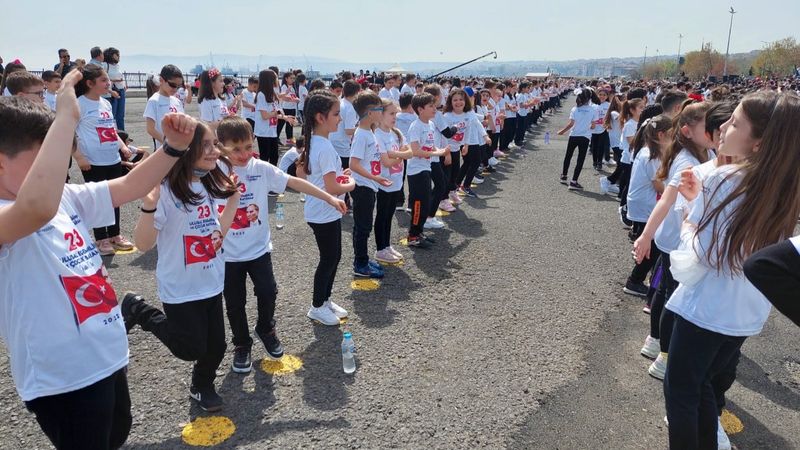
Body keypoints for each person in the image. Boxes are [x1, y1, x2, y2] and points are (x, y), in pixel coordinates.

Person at [0, 69, 197, 450]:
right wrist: (66, 118)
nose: (57, 166)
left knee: (116, 434)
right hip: (62, 377)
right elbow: (35, 208)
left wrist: (173, 148)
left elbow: (130, 186)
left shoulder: (65, 197)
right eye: (45, 156)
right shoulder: (13, 210)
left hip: (104, 356)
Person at [664, 91, 800, 450]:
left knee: (680, 390)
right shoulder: (784, 187)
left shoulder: (724, 179)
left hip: (707, 309)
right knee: (705, 385)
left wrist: (691, 214)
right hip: (745, 313)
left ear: (759, 143)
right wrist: (701, 202)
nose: (723, 126)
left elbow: (704, 254)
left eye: (736, 122)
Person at [124, 121, 240, 413]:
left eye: (215, 144)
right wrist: (148, 207)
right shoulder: (165, 191)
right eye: (208, 146)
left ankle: (201, 386)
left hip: (211, 281)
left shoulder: (209, 183)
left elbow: (216, 236)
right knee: (189, 347)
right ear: (186, 151)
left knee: (216, 347)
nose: (216, 151)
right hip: (180, 286)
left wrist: (234, 201)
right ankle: (140, 310)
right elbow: (143, 243)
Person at [215, 116, 345, 373]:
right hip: (227, 255)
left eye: (247, 146)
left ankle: (266, 327)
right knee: (234, 302)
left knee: (268, 291)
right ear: (220, 146)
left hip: (258, 249)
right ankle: (241, 344)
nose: (243, 154)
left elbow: (294, 182)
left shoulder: (261, 168)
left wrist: (328, 196)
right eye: (235, 149)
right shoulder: (212, 171)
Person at [632, 101, 714, 380]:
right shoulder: (689, 162)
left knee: (665, 289)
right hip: (676, 238)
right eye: (709, 125)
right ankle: (664, 353)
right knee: (671, 295)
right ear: (689, 131)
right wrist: (645, 236)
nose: (716, 129)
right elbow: (666, 200)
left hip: (674, 237)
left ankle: (655, 341)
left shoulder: (695, 153)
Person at [296, 90, 355, 326]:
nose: (339, 119)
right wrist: (351, 183)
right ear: (321, 118)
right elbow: (332, 187)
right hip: (323, 212)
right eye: (336, 114)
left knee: (333, 257)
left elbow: (319, 177)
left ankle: (325, 300)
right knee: (329, 259)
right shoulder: (325, 147)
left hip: (321, 210)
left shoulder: (317, 143)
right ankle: (317, 305)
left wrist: (342, 176)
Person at [73, 64, 135, 256]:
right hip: (93, 162)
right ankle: (101, 238)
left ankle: (115, 234)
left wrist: (122, 147)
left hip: (112, 159)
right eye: (104, 80)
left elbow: (111, 130)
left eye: (108, 80)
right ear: (90, 83)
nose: (108, 83)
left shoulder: (105, 103)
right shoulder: (79, 104)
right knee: (97, 200)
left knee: (114, 198)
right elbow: (69, 133)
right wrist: (79, 157)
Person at [349, 90, 392, 278]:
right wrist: (375, 178)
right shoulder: (362, 134)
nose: (382, 112)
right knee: (363, 226)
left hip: (369, 185)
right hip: (363, 187)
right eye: (379, 109)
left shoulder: (368, 132)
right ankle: (360, 263)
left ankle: (363, 259)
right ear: (369, 112)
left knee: (362, 225)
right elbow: (354, 163)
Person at [405, 93, 448, 248]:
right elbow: (415, 151)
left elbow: (431, 146)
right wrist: (438, 153)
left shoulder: (429, 124)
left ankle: (419, 232)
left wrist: (441, 150)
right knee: (419, 204)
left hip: (426, 167)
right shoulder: (415, 126)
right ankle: (413, 236)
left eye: (434, 105)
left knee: (425, 203)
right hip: (416, 171)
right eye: (430, 106)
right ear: (420, 109)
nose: (434, 109)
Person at [373, 98, 412, 264]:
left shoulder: (396, 133)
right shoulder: (377, 135)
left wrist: (394, 154)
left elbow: (409, 152)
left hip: (396, 181)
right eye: (391, 113)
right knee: (382, 215)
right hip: (384, 182)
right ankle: (380, 248)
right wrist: (399, 156)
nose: (395, 116)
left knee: (389, 215)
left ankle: (386, 245)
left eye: (395, 113)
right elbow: (386, 162)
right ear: (380, 115)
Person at [254, 69, 294, 167]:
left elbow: (274, 113)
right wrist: (277, 113)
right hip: (263, 132)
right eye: (276, 77)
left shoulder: (272, 93)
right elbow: (265, 116)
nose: (277, 80)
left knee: (274, 157)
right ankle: (264, 179)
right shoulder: (261, 95)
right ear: (269, 80)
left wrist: (285, 118)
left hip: (272, 131)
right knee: (265, 158)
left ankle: (271, 178)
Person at [557, 88, 595, 190]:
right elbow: (593, 125)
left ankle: (564, 176)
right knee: (580, 159)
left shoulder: (575, 109)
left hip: (573, 135)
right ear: (589, 98)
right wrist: (587, 126)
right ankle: (574, 181)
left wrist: (562, 131)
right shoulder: (592, 109)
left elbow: (571, 124)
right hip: (585, 137)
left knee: (568, 156)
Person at [144, 65, 185, 147]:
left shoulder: (177, 101)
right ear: (161, 80)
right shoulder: (154, 101)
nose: (175, 89)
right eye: (172, 85)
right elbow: (150, 129)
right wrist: (167, 142)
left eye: (178, 86)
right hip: (164, 149)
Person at [103, 48, 126, 130]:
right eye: (117, 54)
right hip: (112, 91)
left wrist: (124, 85)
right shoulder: (105, 65)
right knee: (113, 114)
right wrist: (114, 81)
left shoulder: (117, 66)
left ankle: (122, 134)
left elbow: (120, 77)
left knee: (121, 115)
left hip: (121, 90)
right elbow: (103, 78)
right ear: (111, 55)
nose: (119, 56)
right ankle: (113, 133)